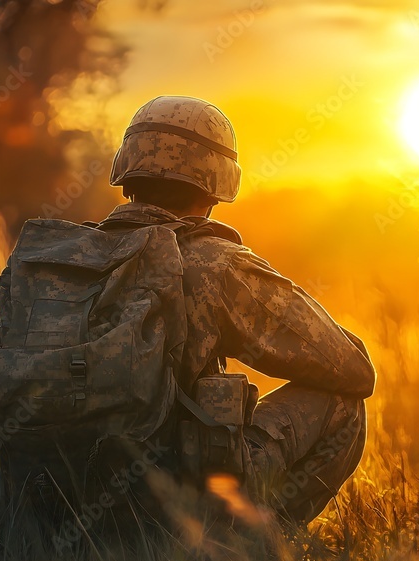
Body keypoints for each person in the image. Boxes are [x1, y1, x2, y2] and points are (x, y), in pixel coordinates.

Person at [102, 95, 375, 523]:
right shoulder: (214, 261)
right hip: (170, 503)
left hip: (53, 498)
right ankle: (249, 545)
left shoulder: (57, 259)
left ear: (127, 168)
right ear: (217, 182)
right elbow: (352, 367)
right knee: (344, 400)